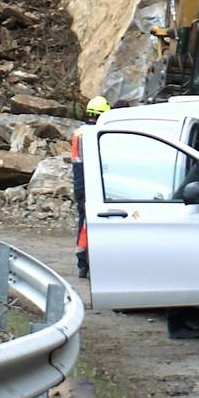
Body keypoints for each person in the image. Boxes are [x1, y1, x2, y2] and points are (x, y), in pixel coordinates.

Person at [72, 96, 111, 279]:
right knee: (93, 222)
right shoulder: (99, 133)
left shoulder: (79, 132)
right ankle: (88, 261)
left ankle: (83, 260)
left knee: (84, 221)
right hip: (93, 182)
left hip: (80, 182)